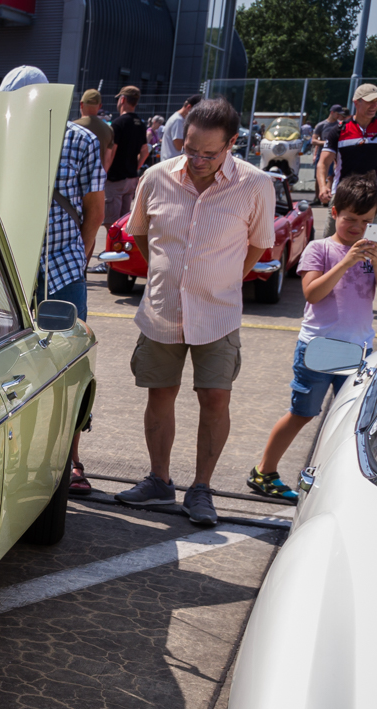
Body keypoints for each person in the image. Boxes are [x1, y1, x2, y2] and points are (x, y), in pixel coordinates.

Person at [115, 97, 274, 527]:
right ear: (182, 138)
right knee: (159, 393)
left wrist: (218, 281)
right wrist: (170, 276)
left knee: (215, 398)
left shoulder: (255, 184)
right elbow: (142, 235)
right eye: (191, 150)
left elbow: (258, 245)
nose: (199, 160)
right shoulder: (156, 177)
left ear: (232, 143)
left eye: (210, 153)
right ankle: (159, 481)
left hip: (218, 313)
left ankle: (201, 489)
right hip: (163, 308)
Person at [248, 174, 377, 501]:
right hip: (318, 347)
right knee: (303, 412)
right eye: (350, 219)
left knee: (351, 421)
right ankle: (264, 471)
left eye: (366, 221)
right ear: (333, 212)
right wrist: (346, 262)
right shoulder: (320, 249)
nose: (357, 227)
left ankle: (331, 481)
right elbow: (313, 294)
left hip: (357, 349)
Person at [3, 64, 103, 496]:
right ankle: (15, 458)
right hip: (10, 271)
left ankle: (69, 459)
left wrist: (77, 260)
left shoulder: (80, 140)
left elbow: (94, 208)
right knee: (11, 366)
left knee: (68, 364)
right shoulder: (0, 132)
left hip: (59, 267)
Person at [317, 84, 377, 223]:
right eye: (370, 101)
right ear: (356, 102)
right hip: (342, 196)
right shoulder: (338, 130)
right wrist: (322, 186)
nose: (374, 105)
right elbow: (323, 162)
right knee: (332, 243)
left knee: (369, 243)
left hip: (372, 197)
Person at [106, 86, 150, 225]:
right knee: (124, 223)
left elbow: (111, 152)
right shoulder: (141, 124)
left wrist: (104, 172)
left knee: (111, 223)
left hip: (115, 178)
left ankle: (112, 246)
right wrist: (136, 167)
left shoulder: (118, 123)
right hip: (131, 178)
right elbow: (145, 151)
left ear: (123, 99)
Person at [75, 88, 116, 173]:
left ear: (81, 104)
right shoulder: (108, 129)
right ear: (100, 106)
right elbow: (107, 160)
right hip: (96, 180)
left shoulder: (72, 127)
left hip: (73, 180)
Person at [160, 93, 201, 161]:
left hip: (171, 161)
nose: (197, 115)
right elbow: (179, 146)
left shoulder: (178, 119)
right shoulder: (178, 121)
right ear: (188, 107)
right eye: (196, 112)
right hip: (172, 163)